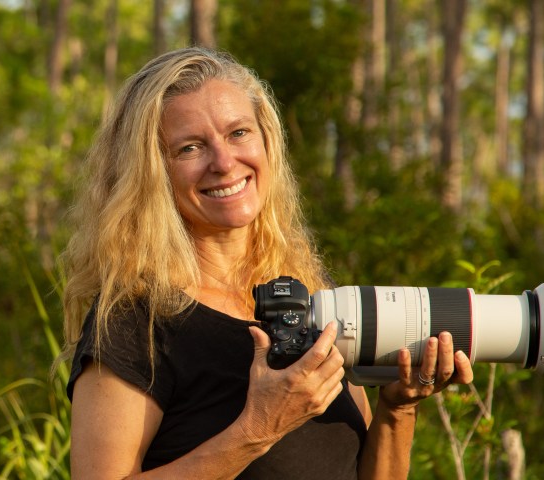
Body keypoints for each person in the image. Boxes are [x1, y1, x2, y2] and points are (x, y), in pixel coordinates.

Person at [59, 46, 474, 479]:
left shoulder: (314, 292)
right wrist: (258, 428)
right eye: (190, 148)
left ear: (266, 141)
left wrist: (399, 407)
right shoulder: (135, 321)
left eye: (238, 133)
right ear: (151, 172)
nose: (223, 163)